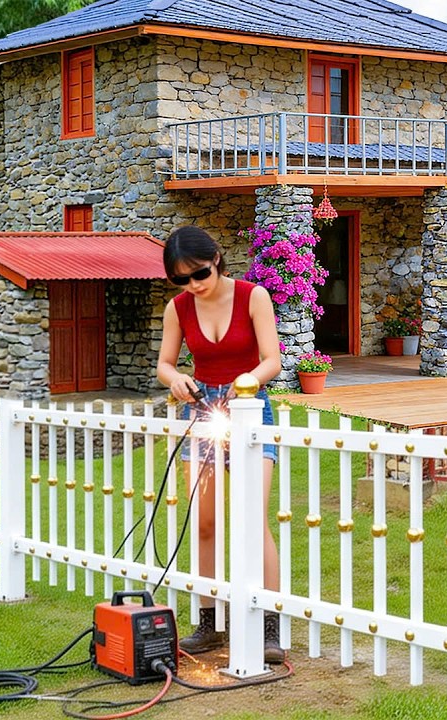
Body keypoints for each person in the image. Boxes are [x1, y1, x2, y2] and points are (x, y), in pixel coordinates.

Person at [156, 225, 283, 663]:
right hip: (203, 408)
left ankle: (269, 626)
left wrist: (247, 382)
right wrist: (176, 381)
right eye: (182, 279)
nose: (194, 285)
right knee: (205, 521)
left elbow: (273, 359)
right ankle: (209, 622)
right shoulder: (179, 308)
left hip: (249, 408)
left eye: (200, 273)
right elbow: (165, 365)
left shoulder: (254, 296)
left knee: (253, 519)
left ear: (217, 257)